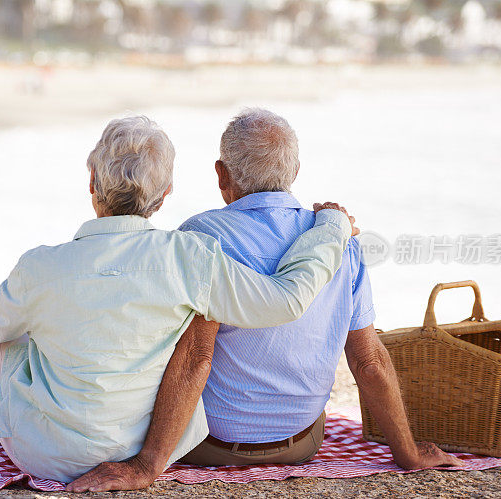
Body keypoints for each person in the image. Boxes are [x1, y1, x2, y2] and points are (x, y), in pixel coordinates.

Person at [0, 115, 358, 483]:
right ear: (166, 194)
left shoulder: (42, 267)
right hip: (135, 444)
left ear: (91, 182)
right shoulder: (191, 257)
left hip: (41, 455)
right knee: (10, 355)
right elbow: (286, 300)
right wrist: (331, 226)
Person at [67, 109, 462, 493]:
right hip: (302, 444)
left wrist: (146, 465)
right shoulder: (341, 243)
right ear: (295, 171)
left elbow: (195, 357)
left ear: (221, 174)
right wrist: (408, 453)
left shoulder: (201, 236)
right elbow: (369, 361)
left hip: (206, 447)